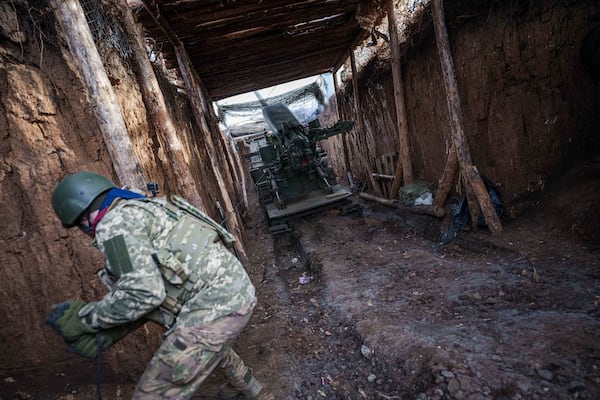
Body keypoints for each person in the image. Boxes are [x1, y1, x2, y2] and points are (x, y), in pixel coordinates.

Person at [46, 171, 273, 400]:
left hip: (218, 301)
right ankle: (251, 389)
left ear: (83, 217)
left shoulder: (113, 225)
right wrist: (111, 330)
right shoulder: (141, 207)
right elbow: (155, 294)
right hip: (230, 289)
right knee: (206, 338)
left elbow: (144, 294)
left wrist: (86, 319)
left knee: (152, 393)